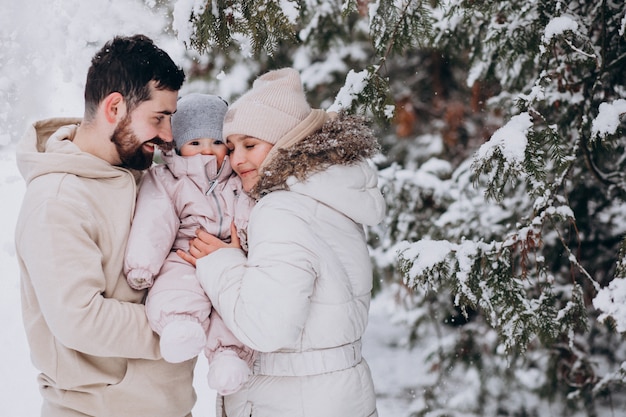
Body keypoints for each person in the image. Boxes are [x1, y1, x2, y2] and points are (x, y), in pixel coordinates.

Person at [178, 67, 386, 417]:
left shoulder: (281, 210)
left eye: (250, 145)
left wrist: (221, 263)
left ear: (286, 142)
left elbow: (265, 329)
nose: (237, 159)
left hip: (292, 400)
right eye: (230, 147)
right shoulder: (325, 196)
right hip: (332, 395)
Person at [14, 34, 196, 417]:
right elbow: (80, 318)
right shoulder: (58, 199)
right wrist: (186, 322)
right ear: (115, 107)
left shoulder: (142, 176)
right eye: (158, 117)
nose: (168, 135)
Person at [124, 93, 255, 396]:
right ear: (179, 145)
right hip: (185, 255)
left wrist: (246, 246)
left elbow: (251, 213)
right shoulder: (168, 179)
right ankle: (180, 325)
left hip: (232, 258)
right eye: (195, 143)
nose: (207, 151)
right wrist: (142, 264)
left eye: (217, 141)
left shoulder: (238, 180)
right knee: (176, 286)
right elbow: (154, 220)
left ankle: (228, 356)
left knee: (234, 305)